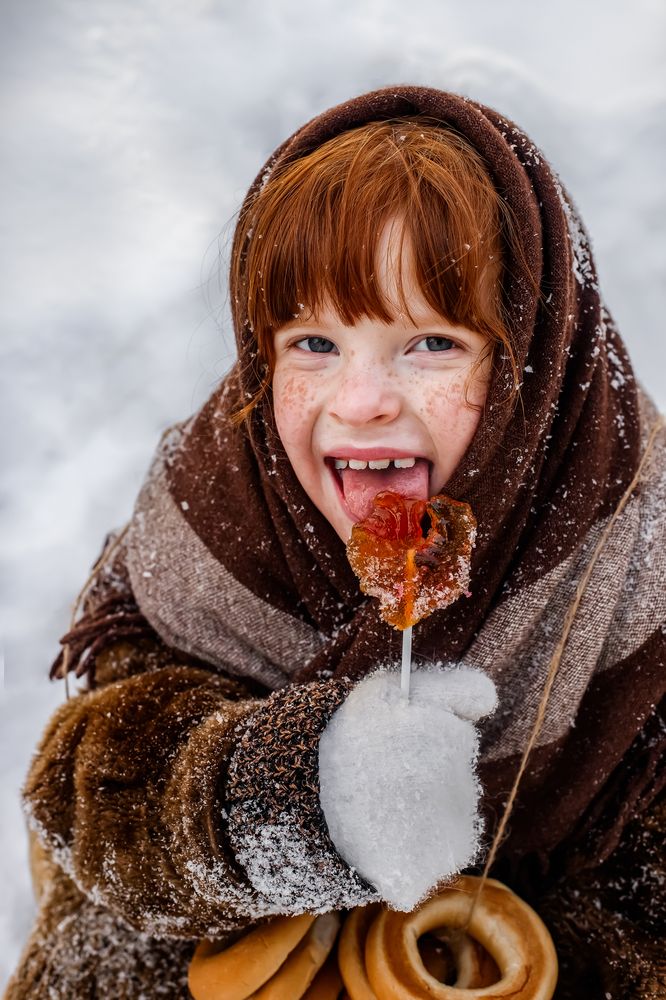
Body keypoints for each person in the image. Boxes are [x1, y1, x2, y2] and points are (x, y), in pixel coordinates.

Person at [5, 86, 664, 999]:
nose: (359, 402)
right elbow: (88, 803)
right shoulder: (221, 503)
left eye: (431, 343)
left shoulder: (636, 559)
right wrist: (296, 794)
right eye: (313, 341)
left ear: (536, 365)